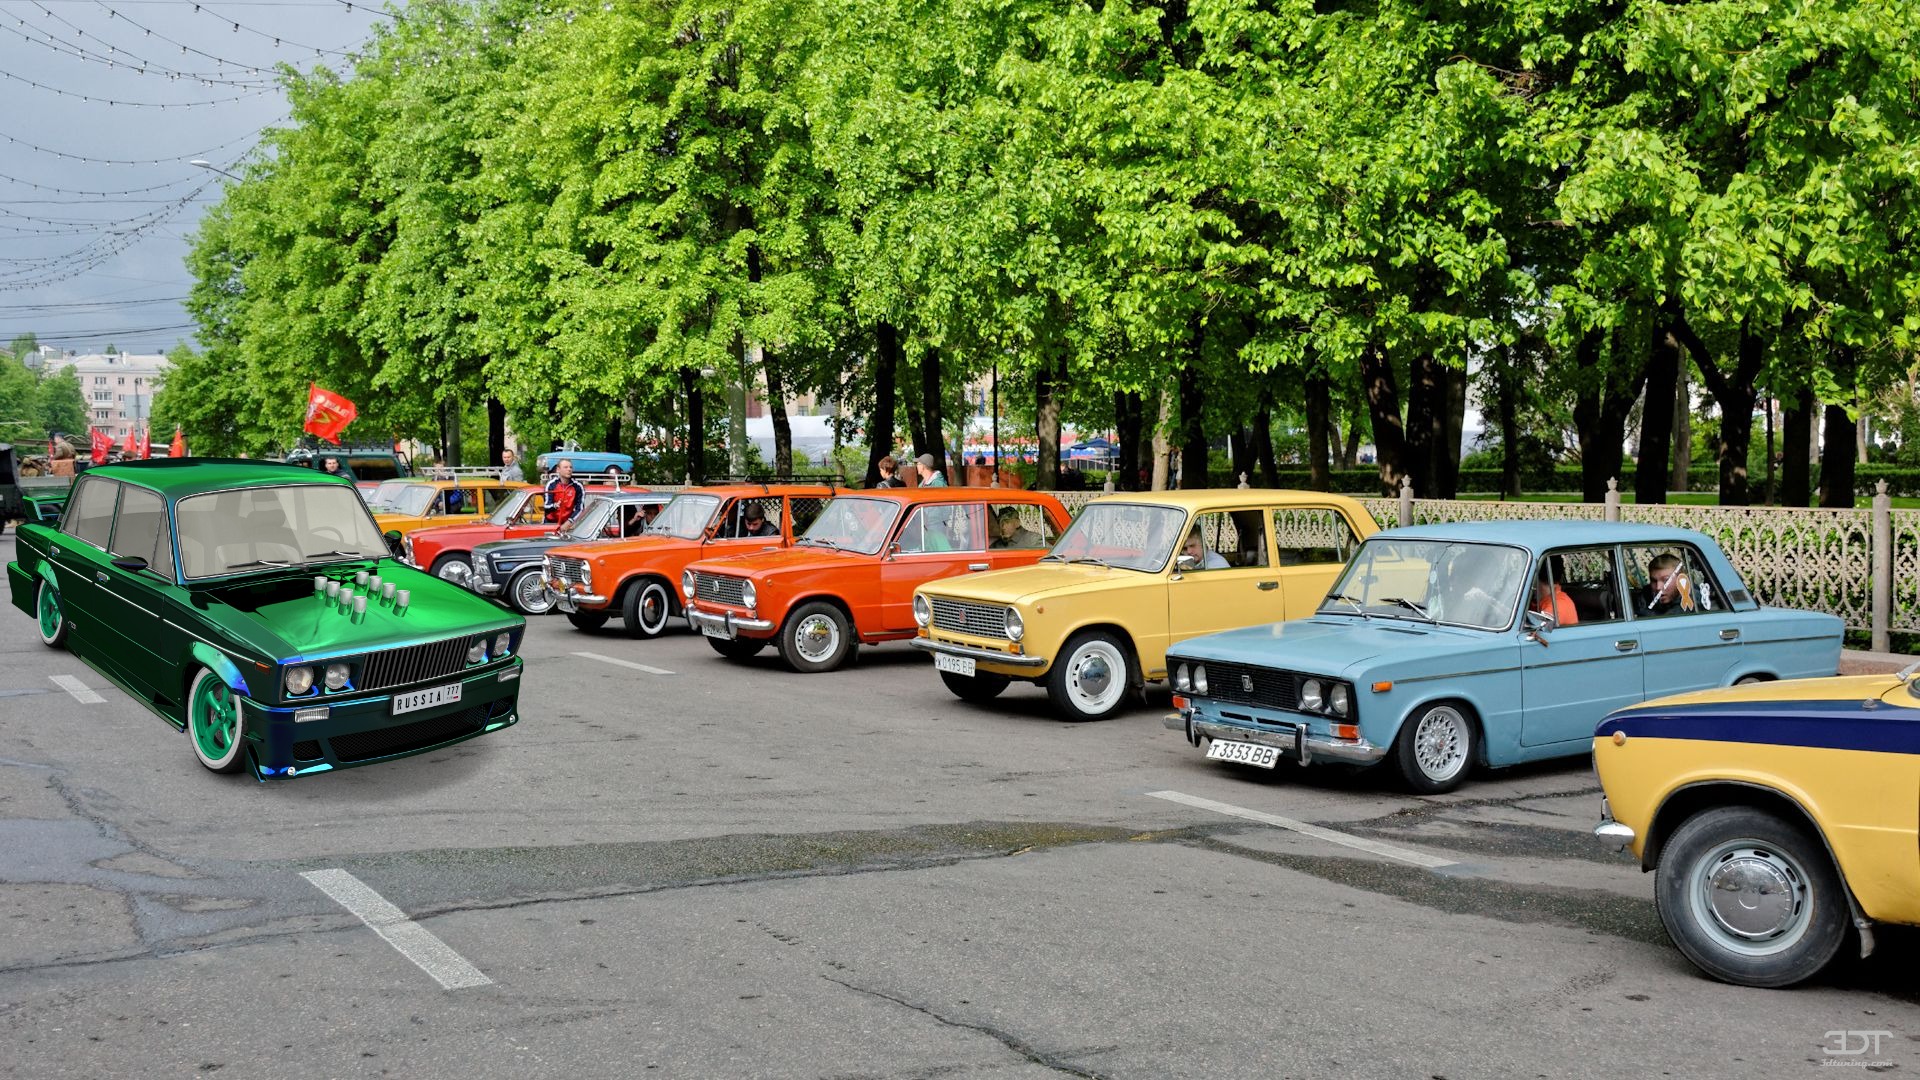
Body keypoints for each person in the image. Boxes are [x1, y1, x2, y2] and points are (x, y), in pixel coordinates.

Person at [543, 459, 585, 525]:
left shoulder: (578, 486)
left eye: (570, 467)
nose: (569, 469)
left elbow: (580, 509)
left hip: (568, 523)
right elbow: (546, 506)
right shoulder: (551, 484)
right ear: (558, 470)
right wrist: (555, 506)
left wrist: (569, 522)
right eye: (565, 467)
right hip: (550, 523)